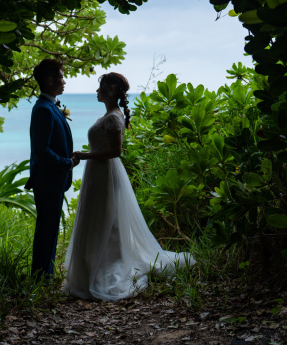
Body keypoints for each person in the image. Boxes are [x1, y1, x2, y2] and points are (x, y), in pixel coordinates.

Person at [63, 72, 194, 301]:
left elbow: (116, 151)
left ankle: (106, 266)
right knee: (97, 217)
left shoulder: (114, 118)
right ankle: (89, 266)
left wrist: (85, 155)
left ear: (111, 89)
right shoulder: (109, 115)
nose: (97, 91)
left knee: (105, 219)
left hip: (105, 173)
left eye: (101, 86)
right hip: (96, 173)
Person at [26, 59, 80, 280]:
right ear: (50, 81)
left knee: (50, 230)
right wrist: (67, 163)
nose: (64, 81)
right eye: (61, 77)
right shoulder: (43, 109)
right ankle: (40, 278)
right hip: (48, 180)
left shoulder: (49, 107)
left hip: (52, 180)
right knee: (46, 231)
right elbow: (42, 150)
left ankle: (44, 276)